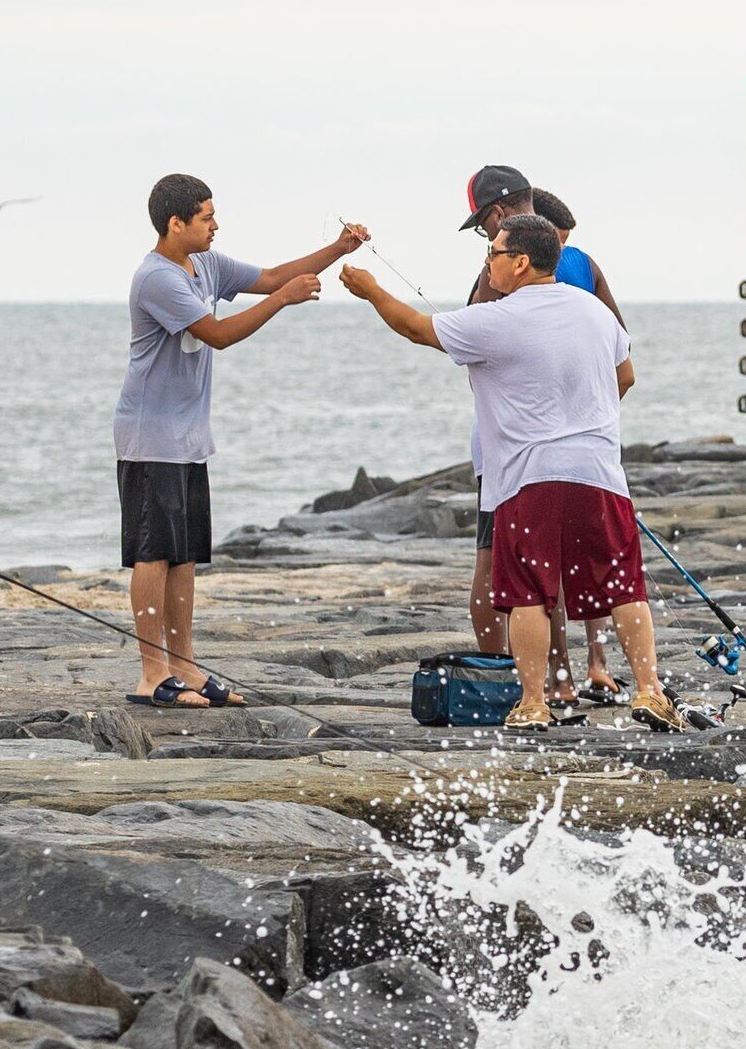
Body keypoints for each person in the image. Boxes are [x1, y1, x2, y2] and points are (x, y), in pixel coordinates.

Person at [341, 212, 678, 731]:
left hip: (528, 478)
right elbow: (625, 375)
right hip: (600, 472)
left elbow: (414, 327)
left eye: (494, 254)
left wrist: (370, 289)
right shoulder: (595, 313)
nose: (488, 262)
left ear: (521, 263)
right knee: (625, 585)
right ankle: (650, 690)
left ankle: (533, 702)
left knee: (529, 593)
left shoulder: (496, 318)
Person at [119, 175, 365, 707]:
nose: (215, 224)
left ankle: (185, 668)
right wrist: (282, 300)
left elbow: (275, 274)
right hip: (149, 437)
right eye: (206, 217)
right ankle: (150, 673)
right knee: (152, 553)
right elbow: (219, 334)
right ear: (175, 223)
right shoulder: (157, 278)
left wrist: (338, 249)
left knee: (183, 557)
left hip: (187, 437)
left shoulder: (206, 264)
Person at [446, 166, 627, 694]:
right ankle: (579, 671)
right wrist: (583, 421)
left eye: (485, 231)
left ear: (498, 216)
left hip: (512, 452)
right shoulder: (585, 268)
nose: (487, 245)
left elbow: (465, 347)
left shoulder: (496, 278)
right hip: (587, 450)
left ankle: (502, 677)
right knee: (574, 560)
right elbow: (624, 366)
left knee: (495, 559)